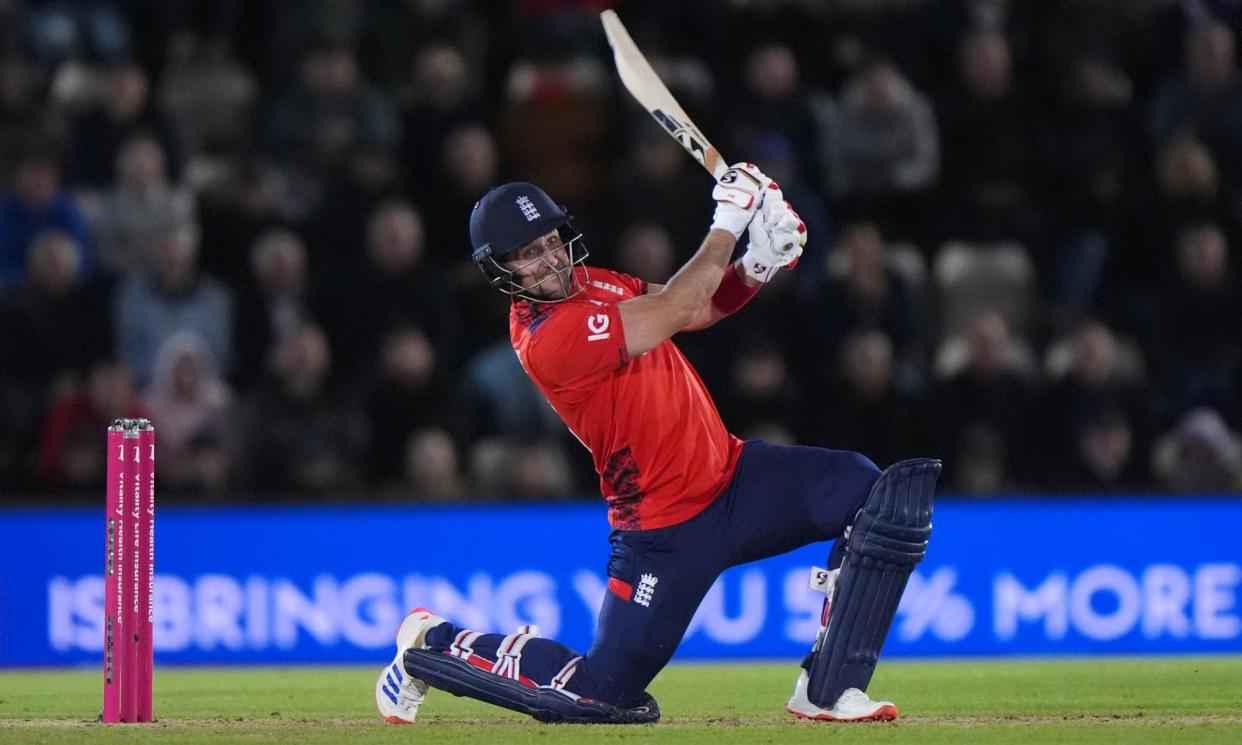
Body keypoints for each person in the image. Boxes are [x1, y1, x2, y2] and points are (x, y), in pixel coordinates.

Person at [375, 164, 940, 725]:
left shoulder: (597, 282)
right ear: (501, 270)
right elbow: (673, 309)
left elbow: (695, 307)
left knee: (873, 494)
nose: (549, 260)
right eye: (528, 253)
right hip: (663, 532)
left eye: (551, 242)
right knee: (601, 694)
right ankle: (430, 643)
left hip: (736, 477)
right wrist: (729, 221)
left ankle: (828, 690)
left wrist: (759, 260)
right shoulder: (548, 339)